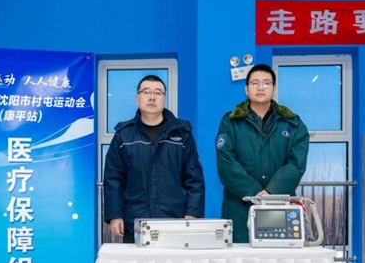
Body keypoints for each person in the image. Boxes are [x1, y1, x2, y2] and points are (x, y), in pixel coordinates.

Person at [103, 74, 205, 243]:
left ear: (164, 98)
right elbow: (113, 179)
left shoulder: (181, 134)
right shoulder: (123, 135)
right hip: (135, 222)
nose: (152, 97)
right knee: (136, 262)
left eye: (158, 92)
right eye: (146, 92)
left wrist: (192, 213)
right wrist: (115, 215)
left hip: (175, 220)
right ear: (137, 98)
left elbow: (194, 177)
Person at [215, 64, 309, 243]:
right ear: (246, 89)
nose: (260, 87)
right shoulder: (231, 122)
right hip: (239, 206)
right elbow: (226, 162)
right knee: (240, 258)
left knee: (279, 256)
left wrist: (271, 192)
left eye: (266, 83)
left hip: (280, 206)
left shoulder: (292, 124)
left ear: (274, 88)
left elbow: (296, 164)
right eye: (254, 83)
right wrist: (255, 193)